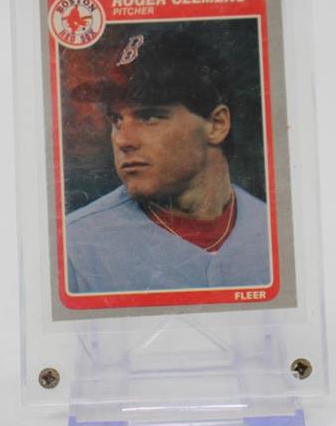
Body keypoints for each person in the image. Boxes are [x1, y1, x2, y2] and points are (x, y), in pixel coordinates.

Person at [64, 27, 271, 293]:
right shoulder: (76, 246)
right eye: (116, 120)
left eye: (148, 117)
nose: (122, 140)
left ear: (216, 125)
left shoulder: (275, 231)